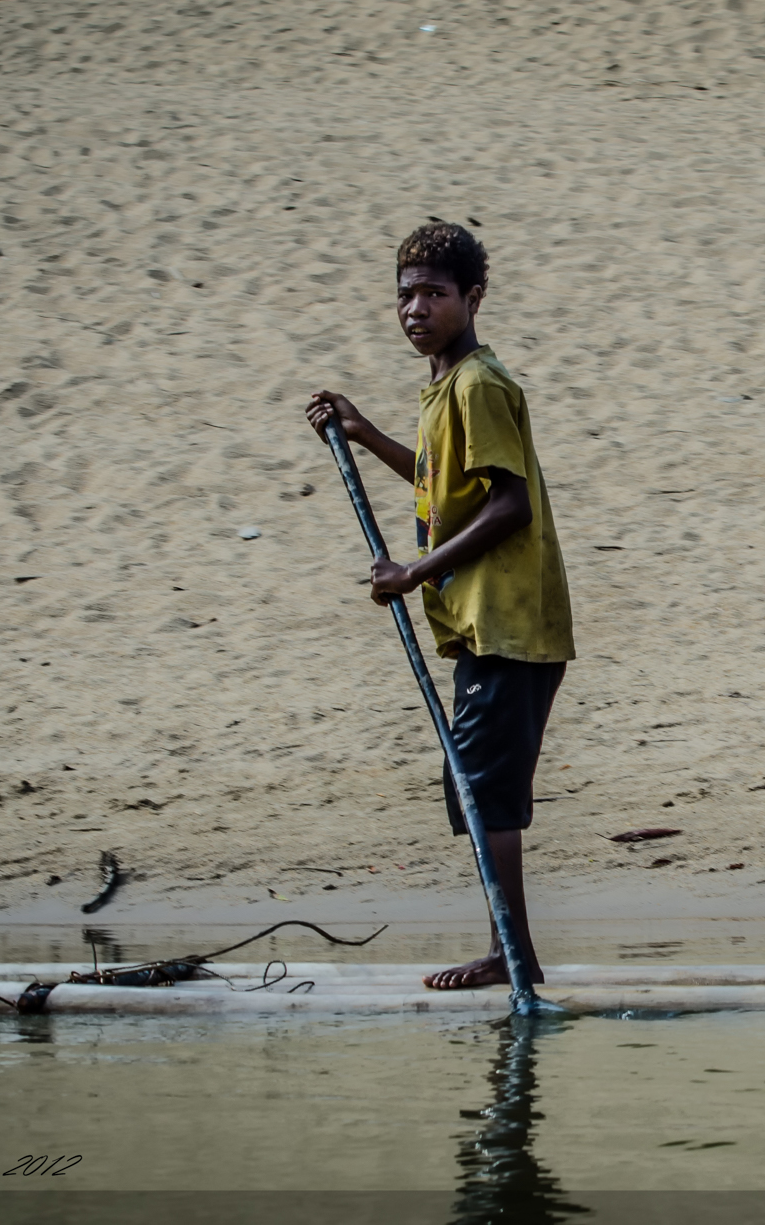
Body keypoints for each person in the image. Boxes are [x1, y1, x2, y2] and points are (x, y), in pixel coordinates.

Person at [306, 222, 575, 991]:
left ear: (473, 297)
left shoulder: (480, 386)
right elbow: (442, 489)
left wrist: (415, 571)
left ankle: (512, 957)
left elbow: (510, 505)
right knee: (482, 788)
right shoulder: (445, 390)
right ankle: (510, 951)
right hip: (489, 625)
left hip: (508, 622)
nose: (416, 309)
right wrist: (364, 435)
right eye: (406, 296)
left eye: (434, 293)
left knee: (486, 791)